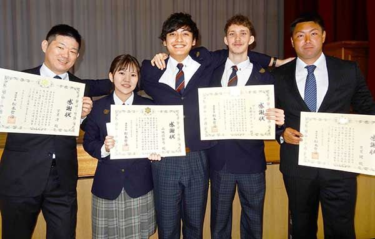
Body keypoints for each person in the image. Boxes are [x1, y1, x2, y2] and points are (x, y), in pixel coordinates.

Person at [141, 12, 277, 239]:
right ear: (164, 41)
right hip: (164, 158)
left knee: (196, 224)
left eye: (185, 34)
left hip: (199, 156)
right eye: (172, 34)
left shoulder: (206, 62)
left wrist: (274, 61)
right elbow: (129, 91)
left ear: (194, 41)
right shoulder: (151, 68)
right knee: (167, 226)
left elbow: (238, 52)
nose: (179, 39)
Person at [0, 24, 112, 239]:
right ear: (45, 45)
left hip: (62, 180)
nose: (66, 55)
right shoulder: (18, 82)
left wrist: (81, 116)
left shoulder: (80, 87)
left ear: (78, 55)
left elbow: (88, 129)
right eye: (60, 47)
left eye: (72, 51)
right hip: (20, 179)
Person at [272, 12, 375, 239]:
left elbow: (368, 110)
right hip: (297, 166)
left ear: (324, 36)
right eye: (300, 36)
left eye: (313, 34)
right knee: (301, 228)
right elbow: (267, 116)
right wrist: (280, 133)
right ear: (292, 41)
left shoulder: (348, 70)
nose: (307, 41)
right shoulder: (277, 76)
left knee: (341, 228)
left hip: (339, 166)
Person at [207, 14, 284, 239]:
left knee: (253, 221)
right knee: (219, 223)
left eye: (243, 33)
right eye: (232, 34)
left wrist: (279, 120)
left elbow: (277, 115)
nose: (237, 38)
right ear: (225, 39)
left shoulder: (266, 79)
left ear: (252, 39)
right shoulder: (211, 73)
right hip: (219, 160)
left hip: (251, 161)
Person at [83, 54, 157, 239]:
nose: (126, 79)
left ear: (138, 79)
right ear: (111, 76)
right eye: (121, 73)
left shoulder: (150, 107)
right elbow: (89, 141)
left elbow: (158, 138)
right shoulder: (98, 108)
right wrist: (104, 148)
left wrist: (158, 150)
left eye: (133, 75)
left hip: (139, 184)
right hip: (107, 185)